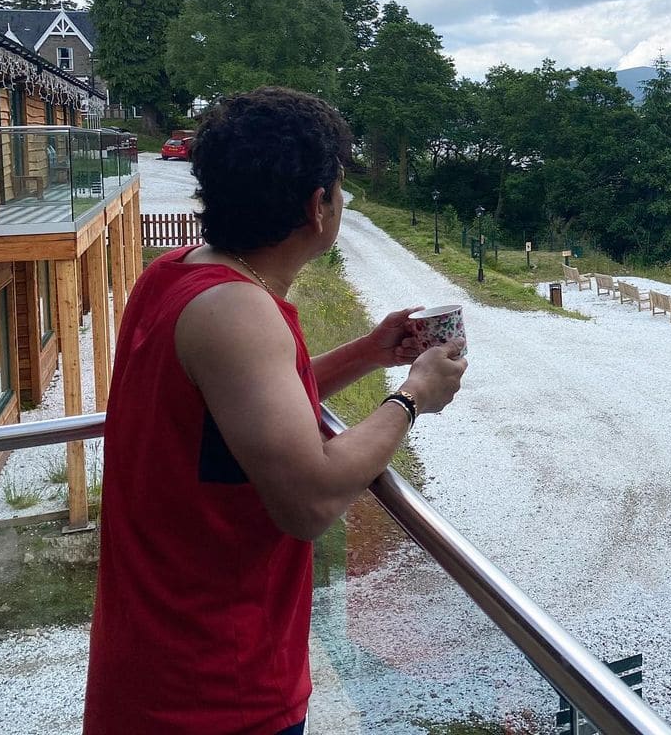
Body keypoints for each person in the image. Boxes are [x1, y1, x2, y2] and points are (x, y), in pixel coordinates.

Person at [83, 87, 466, 735]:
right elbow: (309, 501)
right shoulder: (239, 313)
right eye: (341, 187)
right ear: (319, 207)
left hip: (148, 673)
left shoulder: (175, 276)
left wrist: (370, 352)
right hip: (215, 696)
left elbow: (243, 413)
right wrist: (412, 398)